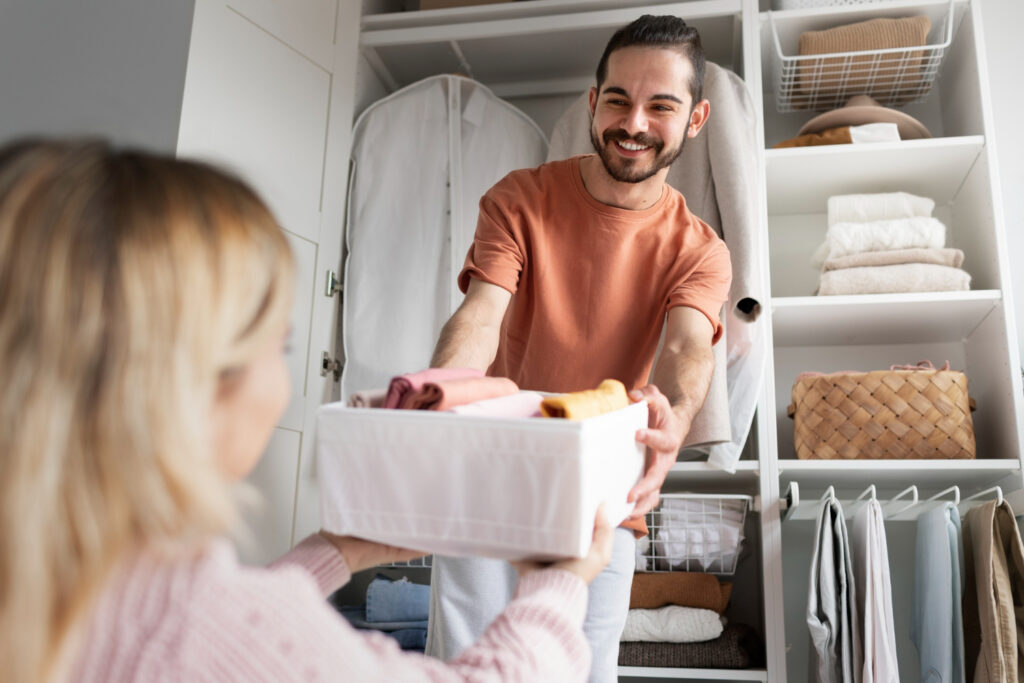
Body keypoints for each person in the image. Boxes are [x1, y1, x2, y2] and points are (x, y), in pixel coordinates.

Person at [0, 138, 614, 683]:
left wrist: (334, 551)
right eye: (279, 345)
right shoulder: (207, 632)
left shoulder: (53, 589)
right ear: (190, 383)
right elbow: (224, 638)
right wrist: (556, 584)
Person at [426, 15, 732, 681]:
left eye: (661, 106)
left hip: (604, 489)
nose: (635, 123)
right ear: (593, 102)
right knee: (466, 667)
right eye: (618, 99)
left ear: (696, 118)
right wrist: (435, 399)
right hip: (488, 471)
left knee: (579, 670)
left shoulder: (699, 248)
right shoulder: (519, 199)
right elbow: (481, 315)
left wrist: (674, 421)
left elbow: (687, 348)